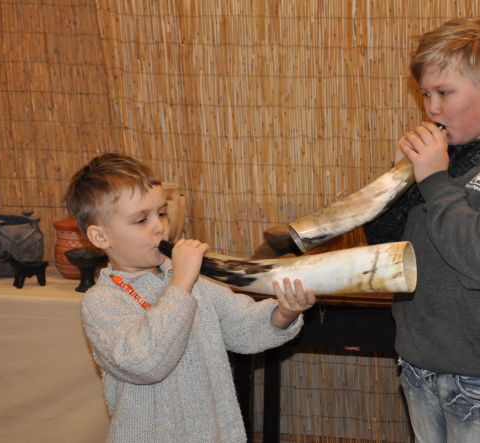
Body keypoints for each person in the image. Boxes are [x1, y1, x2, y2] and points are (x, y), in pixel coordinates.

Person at [363, 18, 480, 442]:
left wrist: (435, 181)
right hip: (418, 364)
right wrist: (397, 185)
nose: (432, 109)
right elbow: (388, 252)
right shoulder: (441, 162)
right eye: (425, 94)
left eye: (444, 93)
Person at [65, 153, 316, 442]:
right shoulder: (102, 302)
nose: (160, 227)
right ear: (100, 237)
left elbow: (242, 325)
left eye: (161, 213)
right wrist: (181, 283)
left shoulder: (193, 279)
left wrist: (283, 313)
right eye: (141, 220)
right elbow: (146, 363)